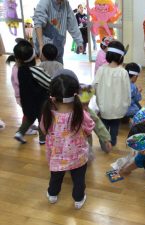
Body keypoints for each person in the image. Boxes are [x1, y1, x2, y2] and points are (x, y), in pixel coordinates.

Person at [40, 69, 95, 209]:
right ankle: (78, 199)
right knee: (78, 180)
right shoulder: (80, 113)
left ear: (52, 96)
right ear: (76, 95)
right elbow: (89, 128)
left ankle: (52, 195)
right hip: (78, 157)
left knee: (55, 177)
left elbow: (43, 129)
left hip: (56, 156)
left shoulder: (48, 113)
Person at [7, 39, 51, 144]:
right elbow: (49, 82)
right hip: (40, 100)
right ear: (34, 55)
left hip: (26, 100)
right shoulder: (36, 70)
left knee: (29, 117)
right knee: (42, 119)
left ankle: (20, 133)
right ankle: (42, 139)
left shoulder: (19, 70)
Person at [93, 41, 131, 147]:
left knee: (103, 126)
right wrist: (127, 103)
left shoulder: (101, 70)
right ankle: (112, 141)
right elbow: (128, 90)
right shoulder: (123, 72)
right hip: (118, 108)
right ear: (121, 57)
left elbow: (94, 86)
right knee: (114, 126)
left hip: (104, 106)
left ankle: (104, 142)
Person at [32, 0, 84, 64]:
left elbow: (72, 24)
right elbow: (38, 22)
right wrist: (41, 45)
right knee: (48, 69)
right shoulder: (45, 2)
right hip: (45, 47)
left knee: (59, 69)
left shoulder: (66, 4)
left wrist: (79, 42)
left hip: (58, 46)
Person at [78, 84, 112, 154]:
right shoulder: (70, 113)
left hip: (86, 144)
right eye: (82, 105)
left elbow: (98, 124)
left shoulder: (89, 112)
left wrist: (106, 139)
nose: (85, 107)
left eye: (87, 104)